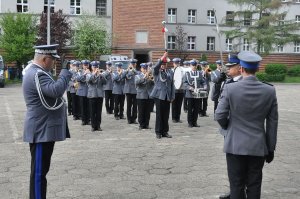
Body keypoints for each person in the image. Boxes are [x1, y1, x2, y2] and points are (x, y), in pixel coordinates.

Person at [215, 51, 278, 199]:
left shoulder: (231, 88)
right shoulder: (269, 90)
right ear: (257, 69)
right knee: (254, 185)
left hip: (235, 145)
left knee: (236, 185)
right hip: (257, 146)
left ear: (241, 69)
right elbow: (272, 122)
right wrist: (270, 148)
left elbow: (219, 115)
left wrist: (228, 127)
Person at [22, 44, 72, 199]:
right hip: (41, 129)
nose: (54, 63)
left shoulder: (37, 72)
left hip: (42, 128)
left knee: (41, 171)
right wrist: (64, 72)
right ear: (45, 59)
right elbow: (56, 90)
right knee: (38, 174)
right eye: (53, 60)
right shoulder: (38, 74)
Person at [150, 52, 175, 139]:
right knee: (159, 115)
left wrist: (172, 96)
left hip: (167, 96)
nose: (163, 65)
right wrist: (162, 58)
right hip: (159, 96)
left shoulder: (170, 72)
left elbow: (172, 85)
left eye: (165, 63)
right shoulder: (157, 72)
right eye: (162, 64)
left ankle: (165, 131)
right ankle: (158, 132)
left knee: (166, 115)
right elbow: (155, 67)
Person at [183, 59, 206, 128]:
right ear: (190, 65)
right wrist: (190, 88)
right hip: (190, 94)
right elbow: (184, 83)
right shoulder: (187, 74)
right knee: (190, 109)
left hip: (197, 94)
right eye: (193, 65)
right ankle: (190, 122)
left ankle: (195, 122)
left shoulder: (199, 73)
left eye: (195, 65)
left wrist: (205, 86)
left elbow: (203, 81)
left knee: (196, 108)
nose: (194, 67)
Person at [86, 61, 105, 131]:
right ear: (92, 67)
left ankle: (98, 125)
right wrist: (94, 73)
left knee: (99, 111)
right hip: (92, 95)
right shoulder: (89, 74)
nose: (96, 68)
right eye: (94, 67)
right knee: (92, 111)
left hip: (99, 95)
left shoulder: (101, 74)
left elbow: (105, 82)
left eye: (97, 67)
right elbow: (88, 80)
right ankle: (93, 126)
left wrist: (100, 75)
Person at [135, 63, 154, 130]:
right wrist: (144, 77)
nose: (145, 70)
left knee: (147, 111)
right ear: (141, 69)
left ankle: (146, 124)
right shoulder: (138, 76)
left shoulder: (150, 75)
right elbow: (137, 82)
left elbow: (153, 84)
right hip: (141, 96)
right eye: (144, 69)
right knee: (141, 111)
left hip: (148, 96)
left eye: (146, 69)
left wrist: (151, 79)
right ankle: (141, 124)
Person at [123, 59, 138, 124]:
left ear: (135, 64)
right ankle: (129, 119)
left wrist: (133, 70)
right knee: (129, 105)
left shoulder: (136, 71)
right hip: (128, 90)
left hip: (135, 90)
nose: (132, 65)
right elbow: (122, 77)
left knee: (135, 106)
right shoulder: (126, 71)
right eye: (131, 64)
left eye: (134, 64)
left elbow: (138, 75)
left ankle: (134, 119)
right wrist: (127, 70)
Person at [171, 58, 184, 123]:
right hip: (174, 90)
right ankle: (174, 118)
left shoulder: (182, 70)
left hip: (181, 90)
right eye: (176, 63)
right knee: (174, 105)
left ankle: (178, 118)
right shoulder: (171, 71)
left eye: (178, 63)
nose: (177, 64)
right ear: (173, 64)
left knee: (179, 105)